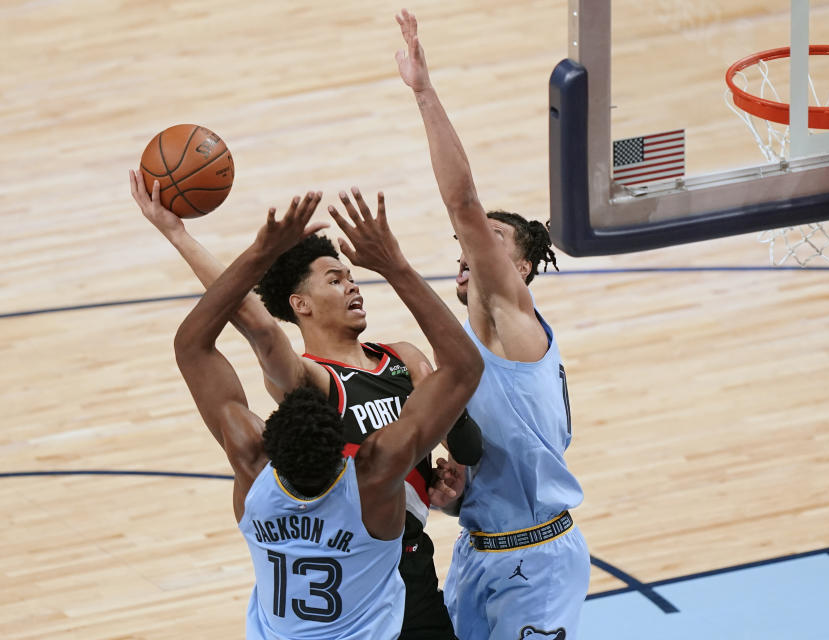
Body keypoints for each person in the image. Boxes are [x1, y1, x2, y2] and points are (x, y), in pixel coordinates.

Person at [130, 171, 479, 639]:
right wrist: (179, 235)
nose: (353, 287)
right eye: (336, 279)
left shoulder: (403, 356)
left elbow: (459, 434)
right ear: (301, 304)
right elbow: (256, 323)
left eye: (353, 278)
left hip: (410, 553)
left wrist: (449, 472)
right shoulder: (310, 378)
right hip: (363, 546)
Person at [395, 9, 591, 639]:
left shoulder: (517, 323)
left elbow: (463, 203)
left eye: (490, 239)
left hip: (537, 563)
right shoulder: (466, 349)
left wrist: (424, 92)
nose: (470, 245)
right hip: (480, 552)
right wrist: (458, 492)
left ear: (523, 266)